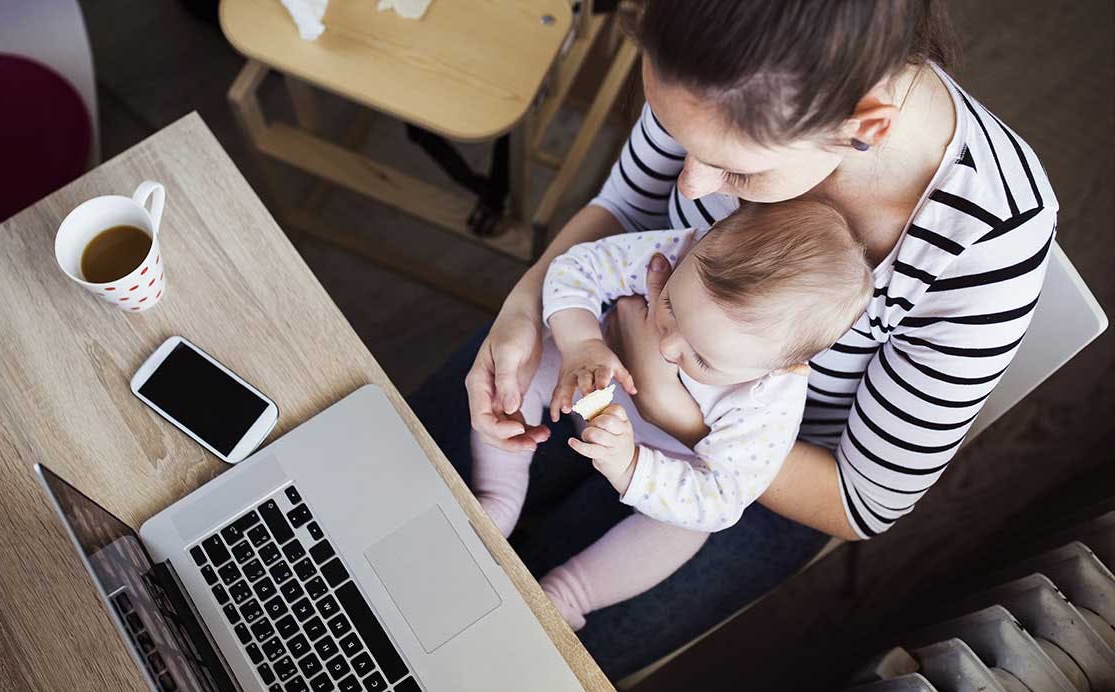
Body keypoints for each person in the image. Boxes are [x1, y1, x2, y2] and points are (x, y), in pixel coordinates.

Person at [409, 0, 1056, 677]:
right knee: (404, 502)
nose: (692, 184)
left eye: (737, 171)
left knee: (507, 658)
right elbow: (628, 206)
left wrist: (681, 418)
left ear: (864, 125)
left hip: (759, 473)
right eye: (677, 135)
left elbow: (862, 499)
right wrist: (523, 308)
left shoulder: (989, 238)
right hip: (603, 332)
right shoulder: (716, 47)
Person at [470, 200, 872, 630]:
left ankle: (569, 594)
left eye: (701, 357)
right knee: (526, 366)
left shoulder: (771, 400)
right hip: (591, 377)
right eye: (672, 308)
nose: (666, 347)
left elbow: (720, 497)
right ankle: (498, 496)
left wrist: (631, 466)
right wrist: (581, 343)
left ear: (781, 367)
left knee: (686, 529)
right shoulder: (681, 251)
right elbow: (576, 268)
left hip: (668, 458)